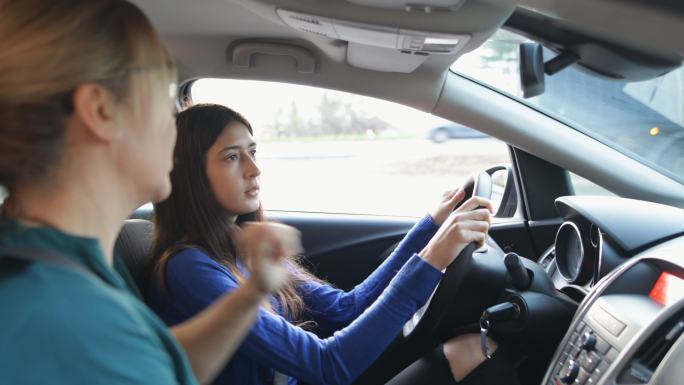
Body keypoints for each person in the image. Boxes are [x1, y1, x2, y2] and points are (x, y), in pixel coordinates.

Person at [0, 1, 296, 384]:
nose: (173, 127)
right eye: (162, 95)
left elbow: (152, 360)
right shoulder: (62, 315)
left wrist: (251, 294)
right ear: (101, 111)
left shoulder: (53, 256)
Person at [150, 104, 500, 385]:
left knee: (474, 349)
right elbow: (327, 365)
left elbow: (345, 309)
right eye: (231, 156)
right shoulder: (190, 268)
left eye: (253, 152)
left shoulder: (243, 245)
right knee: (475, 351)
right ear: (190, 175)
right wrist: (434, 257)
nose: (254, 168)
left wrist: (430, 228)